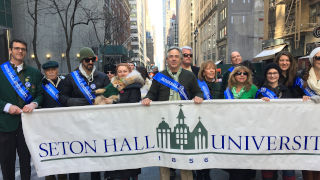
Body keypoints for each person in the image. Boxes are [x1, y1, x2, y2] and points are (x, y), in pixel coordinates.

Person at [142, 46, 203, 180]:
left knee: (184, 155)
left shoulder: (189, 75)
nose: (174, 59)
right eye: (171, 56)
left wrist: (198, 96)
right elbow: (152, 94)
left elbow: (198, 91)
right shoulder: (160, 76)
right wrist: (147, 98)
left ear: (180, 59)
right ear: (167, 60)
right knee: (164, 155)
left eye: (176, 56)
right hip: (165, 120)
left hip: (184, 121)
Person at [60, 47, 109, 180]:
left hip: (96, 123)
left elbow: (110, 96)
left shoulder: (103, 77)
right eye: (87, 59)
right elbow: (62, 98)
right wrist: (78, 102)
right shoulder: (70, 78)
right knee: (76, 156)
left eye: (93, 59)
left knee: (96, 155)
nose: (90, 62)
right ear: (82, 61)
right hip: (76, 123)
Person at [0, 39, 43, 180]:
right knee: (7, 162)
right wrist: (7, 107)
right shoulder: (1, 71)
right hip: (5, 124)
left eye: (23, 49)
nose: (20, 51)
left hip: (27, 124)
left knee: (25, 161)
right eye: (17, 48)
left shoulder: (34, 73)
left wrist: (34, 104)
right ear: (10, 50)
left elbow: (40, 94)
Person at [104, 63, 143, 180]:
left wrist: (113, 102)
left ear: (129, 72)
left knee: (131, 154)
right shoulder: (112, 86)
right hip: (115, 125)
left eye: (124, 71)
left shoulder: (134, 87)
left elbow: (131, 104)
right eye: (119, 71)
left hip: (129, 125)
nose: (122, 73)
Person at [41, 61, 67, 180]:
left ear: (57, 70)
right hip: (47, 125)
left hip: (63, 124)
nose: (51, 72)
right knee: (49, 155)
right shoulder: (41, 84)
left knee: (62, 154)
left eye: (53, 69)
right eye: (48, 70)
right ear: (45, 72)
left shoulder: (65, 82)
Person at [301, 47, 320, 180]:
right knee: (308, 154)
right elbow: (296, 94)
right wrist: (302, 96)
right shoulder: (303, 76)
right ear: (312, 60)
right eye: (318, 58)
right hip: (307, 122)